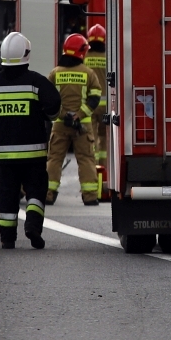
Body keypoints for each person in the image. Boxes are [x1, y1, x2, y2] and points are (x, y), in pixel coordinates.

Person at [0, 32, 62, 248]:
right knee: (36, 190)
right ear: (26, 55)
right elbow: (54, 104)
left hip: (4, 156)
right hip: (33, 155)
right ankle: (33, 226)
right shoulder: (36, 82)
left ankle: (7, 238)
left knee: (7, 195)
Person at [46, 33, 102, 206]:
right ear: (82, 52)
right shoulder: (88, 73)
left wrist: (63, 115)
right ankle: (90, 195)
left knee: (54, 158)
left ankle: (48, 193)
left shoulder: (55, 73)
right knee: (86, 159)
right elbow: (95, 97)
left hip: (60, 125)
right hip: (83, 127)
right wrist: (80, 114)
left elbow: (48, 98)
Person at [84, 23, 109, 197]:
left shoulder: (84, 57)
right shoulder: (109, 57)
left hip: (90, 107)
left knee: (90, 143)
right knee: (105, 144)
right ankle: (105, 179)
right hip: (107, 106)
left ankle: (92, 180)